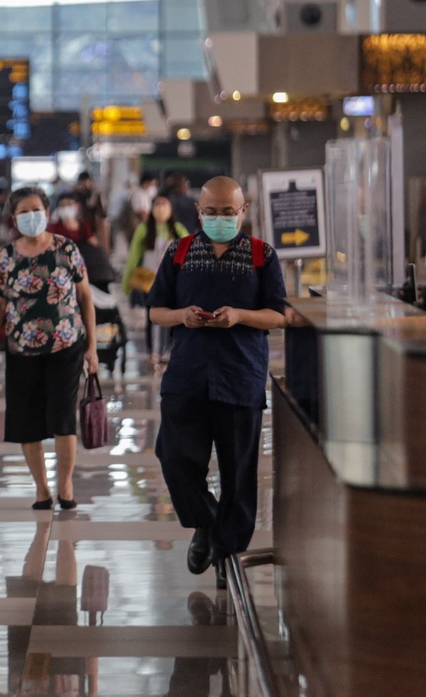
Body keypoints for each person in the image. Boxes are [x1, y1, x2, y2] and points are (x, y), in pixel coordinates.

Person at [146, 176, 287, 589]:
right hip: (187, 374)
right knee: (173, 456)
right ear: (199, 211)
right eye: (211, 212)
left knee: (238, 474)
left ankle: (228, 555)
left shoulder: (262, 255)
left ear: (243, 211)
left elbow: (278, 315)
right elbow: (156, 310)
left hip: (240, 375)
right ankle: (205, 522)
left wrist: (240, 316)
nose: (220, 219)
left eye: (228, 212)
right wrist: (182, 316)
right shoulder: (179, 251)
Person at [0, 187, 98, 510]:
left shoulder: (66, 249)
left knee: (63, 417)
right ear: (14, 218)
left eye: (36, 210)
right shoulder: (5, 257)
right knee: (25, 421)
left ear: (47, 212)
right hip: (21, 349)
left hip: (65, 345)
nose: (31, 216)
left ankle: (65, 485)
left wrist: (92, 347)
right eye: (24, 212)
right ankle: (42, 489)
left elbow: (85, 297)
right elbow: (0, 306)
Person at [123, 195, 190, 363]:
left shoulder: (178, 229)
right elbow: (133, 257)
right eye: (157, 204)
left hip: (173, 282)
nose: (161, 208)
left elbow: (189, 253)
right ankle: (153, 352)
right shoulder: (144, 229)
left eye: (164, 203)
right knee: (152, 317)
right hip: (150, 282)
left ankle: (167, 351)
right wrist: (127, 284)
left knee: (172, 317)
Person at [49, 193, 115, 292]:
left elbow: (93, 243)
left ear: (76, 206)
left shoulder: (83, 225)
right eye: (63, 205)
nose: (66, 208)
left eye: (69, 204)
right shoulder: (54, 228)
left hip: (84, 265)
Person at [73, 171, 109, 248]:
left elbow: (102, 216)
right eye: (81, 182)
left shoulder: (96, 195)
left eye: (85, 181)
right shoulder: (76, 195)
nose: (83, 185)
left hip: (94, 229)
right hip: (79, 230)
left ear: (90, 181)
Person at [160, 172, 201, 236]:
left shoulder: (162, 203)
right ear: (183, 185)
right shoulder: (193, 203)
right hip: (188, 238)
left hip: (167, 238)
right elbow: (201, 224)